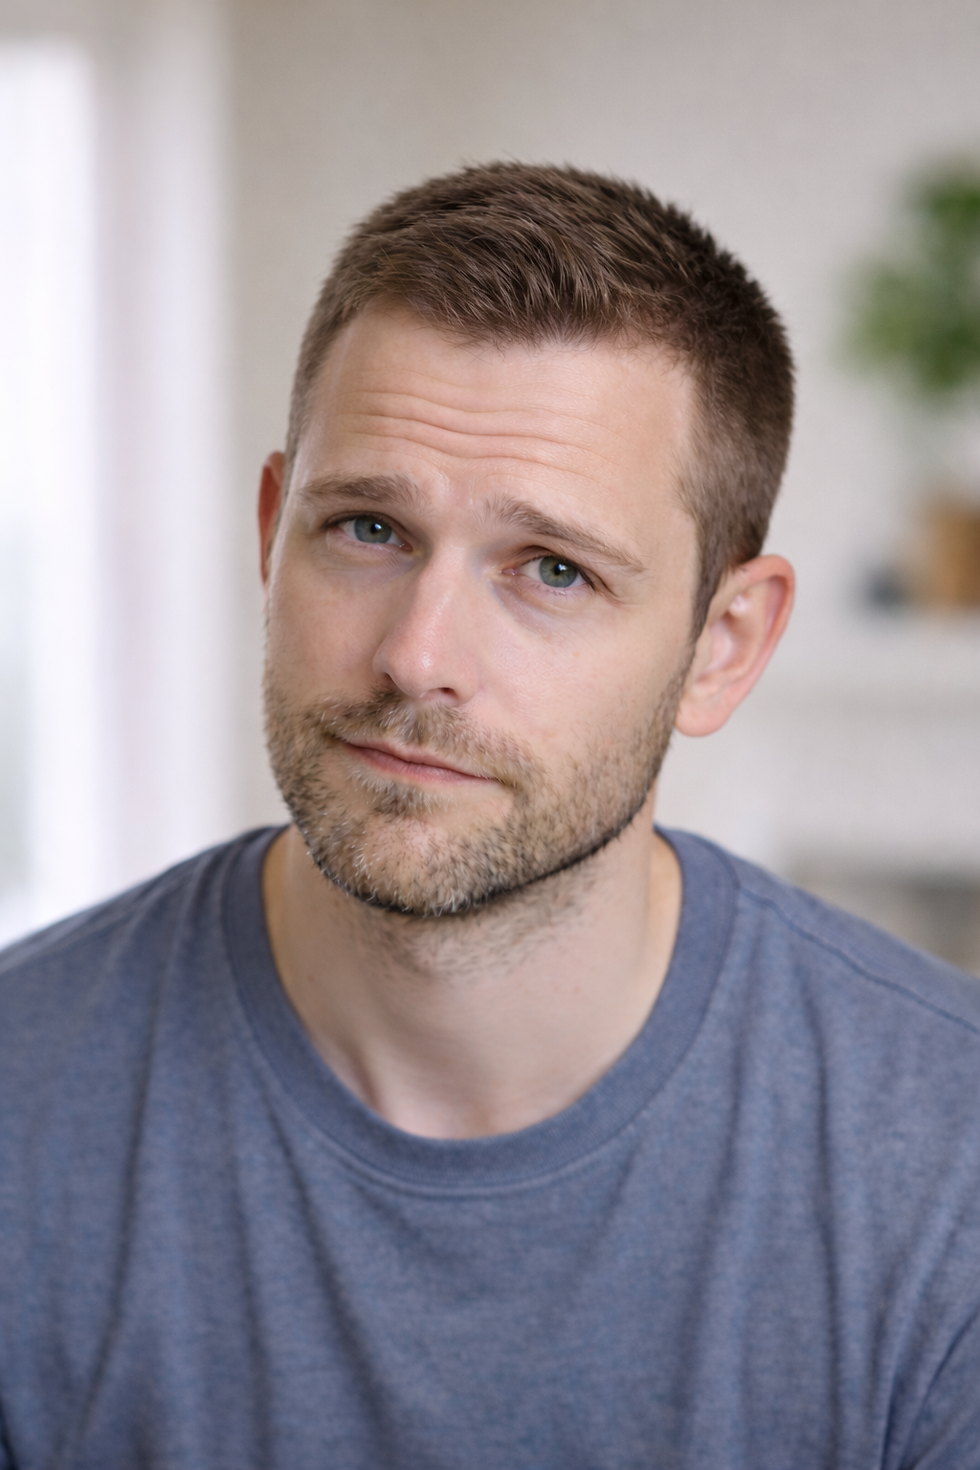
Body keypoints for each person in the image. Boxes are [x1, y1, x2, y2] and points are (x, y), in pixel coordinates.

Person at [1, 163, 978, 1470]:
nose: (416, 656)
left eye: (554, 569)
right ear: (269, 531)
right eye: (366, 528)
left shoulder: (946, 1162)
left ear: (722, 646)